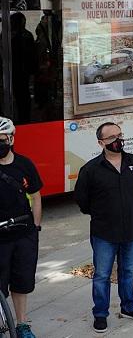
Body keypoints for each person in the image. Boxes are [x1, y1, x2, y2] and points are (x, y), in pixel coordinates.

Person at [73, 122, 133, 334]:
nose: (117, 140)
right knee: (102, 275)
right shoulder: (90, 170)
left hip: (130, 231)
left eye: (119, 135)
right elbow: (82, 200)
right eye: (111, 138)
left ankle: (129, 307)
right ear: (100, 143)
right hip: (104, 233)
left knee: (129, 271)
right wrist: (103, 214)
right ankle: (100, 314)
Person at [0, 117, 41, 338]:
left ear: (11, 138)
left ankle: (22, 324)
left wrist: (35, 227)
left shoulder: (25, 164)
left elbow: (35, 196)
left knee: (21, 282)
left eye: (2, 139)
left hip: (24, 234)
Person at [10, 12, 37, 124]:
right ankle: (24, 119)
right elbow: (32, 55)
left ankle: (22, 119)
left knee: (20, 96)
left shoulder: (9, 35)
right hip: (23, 72)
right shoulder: (26, 35)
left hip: (16, 71)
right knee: (24, 97)